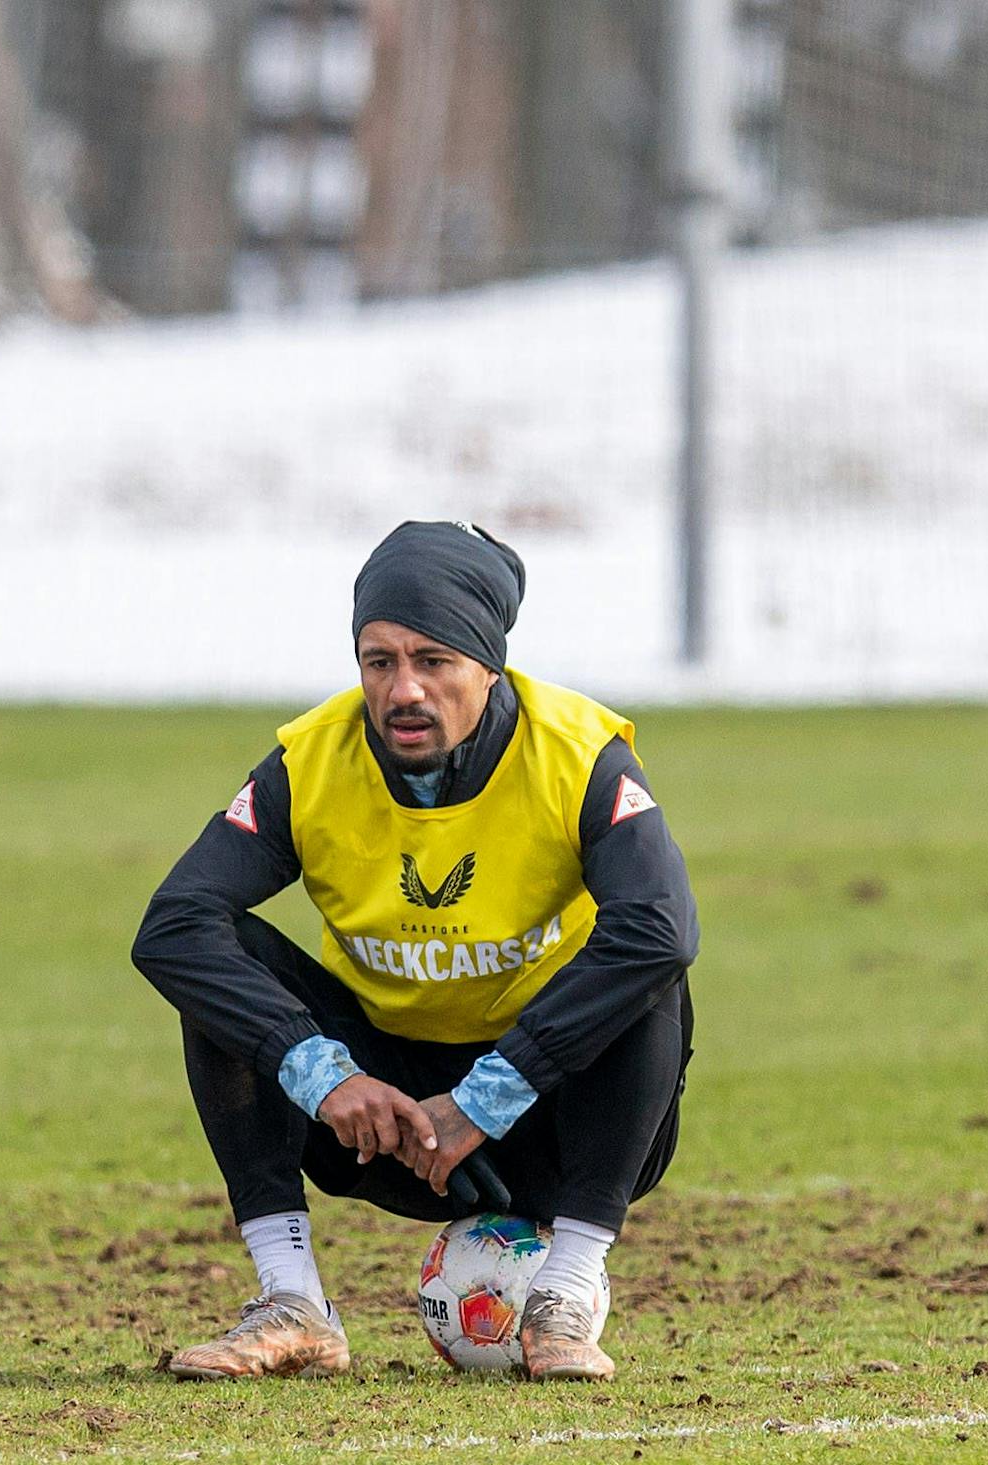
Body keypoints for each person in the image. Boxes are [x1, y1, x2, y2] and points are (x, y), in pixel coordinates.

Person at [131, 521, 698, 1381]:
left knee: (649, 963)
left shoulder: (582, 757)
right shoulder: (309, 762)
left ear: (489, 667)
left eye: (434, 661)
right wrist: (323, 1074)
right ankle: (295, 1305)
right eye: (379, 661)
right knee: (219, 967)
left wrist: (483, 1100)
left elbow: (661, 928)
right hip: (385, 1126)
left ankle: (567, 1297)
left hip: (556, 1118)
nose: (404, 690)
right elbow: (173, 925)